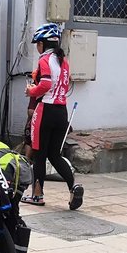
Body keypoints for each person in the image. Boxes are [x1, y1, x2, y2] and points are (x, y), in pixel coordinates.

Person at [23, 23, 84, 210]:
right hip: (61, 111)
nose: (36, 47)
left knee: (39, 155)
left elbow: (46, 84)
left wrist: (31, 90)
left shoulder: (44, 60)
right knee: (55, 155)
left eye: (37, 43)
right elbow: (64, 86)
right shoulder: (63, 61)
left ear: (43, 43)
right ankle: (73, 187)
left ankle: (37, 195)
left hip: (45, 110)